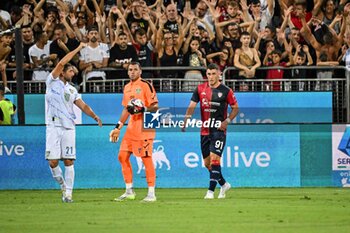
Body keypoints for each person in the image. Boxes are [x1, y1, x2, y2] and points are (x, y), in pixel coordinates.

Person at [45, 42, 102, 203]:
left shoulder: (72, 89)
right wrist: (78, 49)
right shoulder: (51, 81)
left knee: (69, 160)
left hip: (69, 127)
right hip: (53, 126)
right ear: (62, 72)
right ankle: (62, 185)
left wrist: (94, 116)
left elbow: (82, 105)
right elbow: (62, 62)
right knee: (53, 161)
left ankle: (68, 193)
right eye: (70, 70)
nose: (73, 72)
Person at [182, 63, 239, 199]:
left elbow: (235, 108)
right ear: (206, 75)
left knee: (215, 160)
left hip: (219, 131)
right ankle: (224, 184)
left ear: (219, 74)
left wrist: (227, 121)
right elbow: (191, 105)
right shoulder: (200, 89)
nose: (211, 77)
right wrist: (186, 120)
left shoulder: (226, 91)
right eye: (209, 74)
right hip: (204, 131)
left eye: (214, 74)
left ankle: (210, 192)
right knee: (207, 164)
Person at [109, 62, 159, 202]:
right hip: (131, 128)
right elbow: (126, 109)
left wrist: (142, 109)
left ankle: (151, 193)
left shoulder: (145, 85)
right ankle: (129, 191)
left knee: (146, 158)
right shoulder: (127, 87)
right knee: (122, 156)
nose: (132, 72)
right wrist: (118, 127)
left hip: (144, 127)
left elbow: (155, 107)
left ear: (140, 71)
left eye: (135, 70)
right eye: (130, 70)